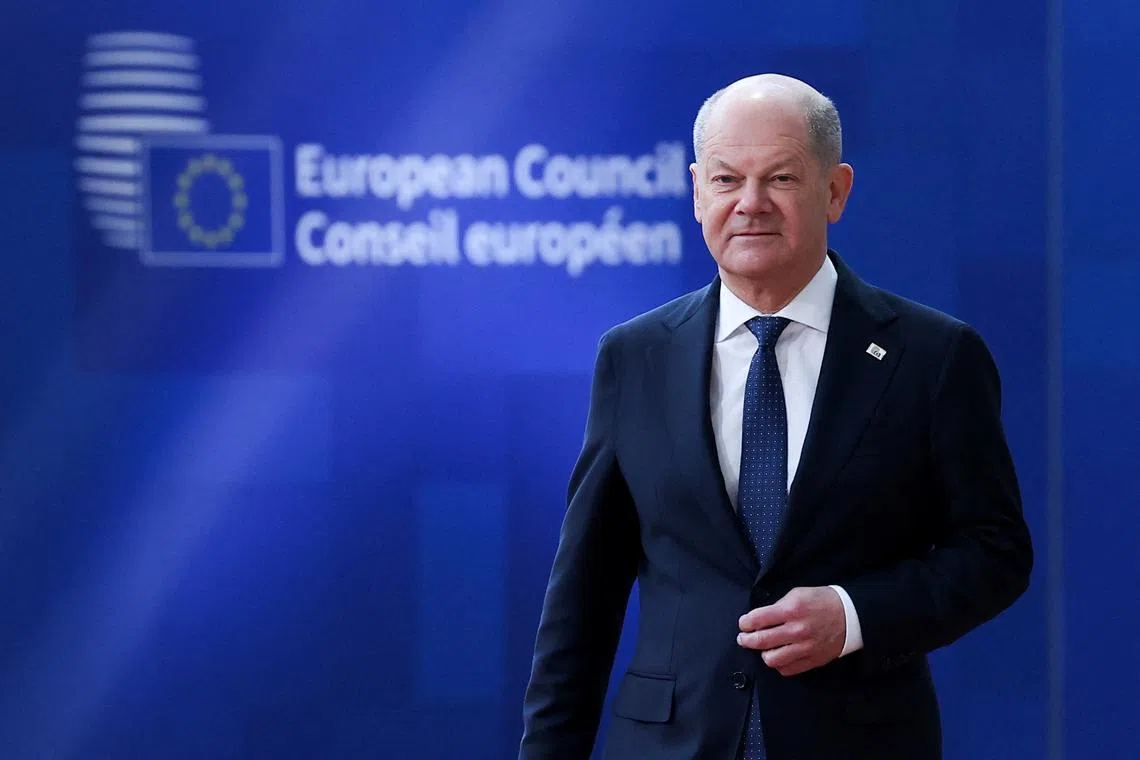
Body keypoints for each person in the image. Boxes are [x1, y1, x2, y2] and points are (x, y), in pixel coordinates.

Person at [518, 73, 1033, 760]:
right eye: (727, 180)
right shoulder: (634, 357)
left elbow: (995, 550)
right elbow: (584, 594)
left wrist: (853, 616)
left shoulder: (932, 356)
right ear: (698, 189)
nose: (750, 205)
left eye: (781, 179)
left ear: (836, 190)